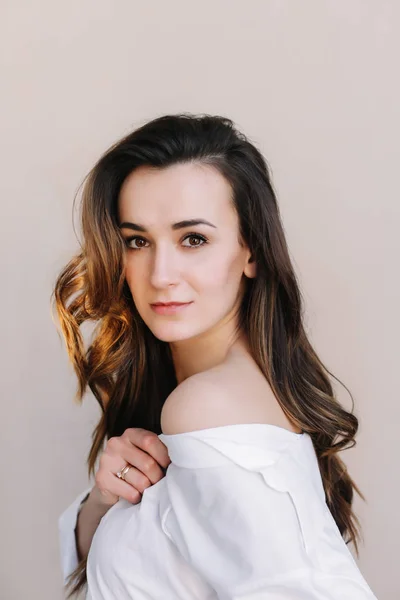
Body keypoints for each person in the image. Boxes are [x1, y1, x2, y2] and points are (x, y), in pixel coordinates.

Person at [53, 113, 378, 599]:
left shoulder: (207, 408)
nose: (161, 273)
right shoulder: (216, 394)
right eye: (137, 241)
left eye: (194, 239)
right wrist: (105, 496)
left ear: (251, 250)